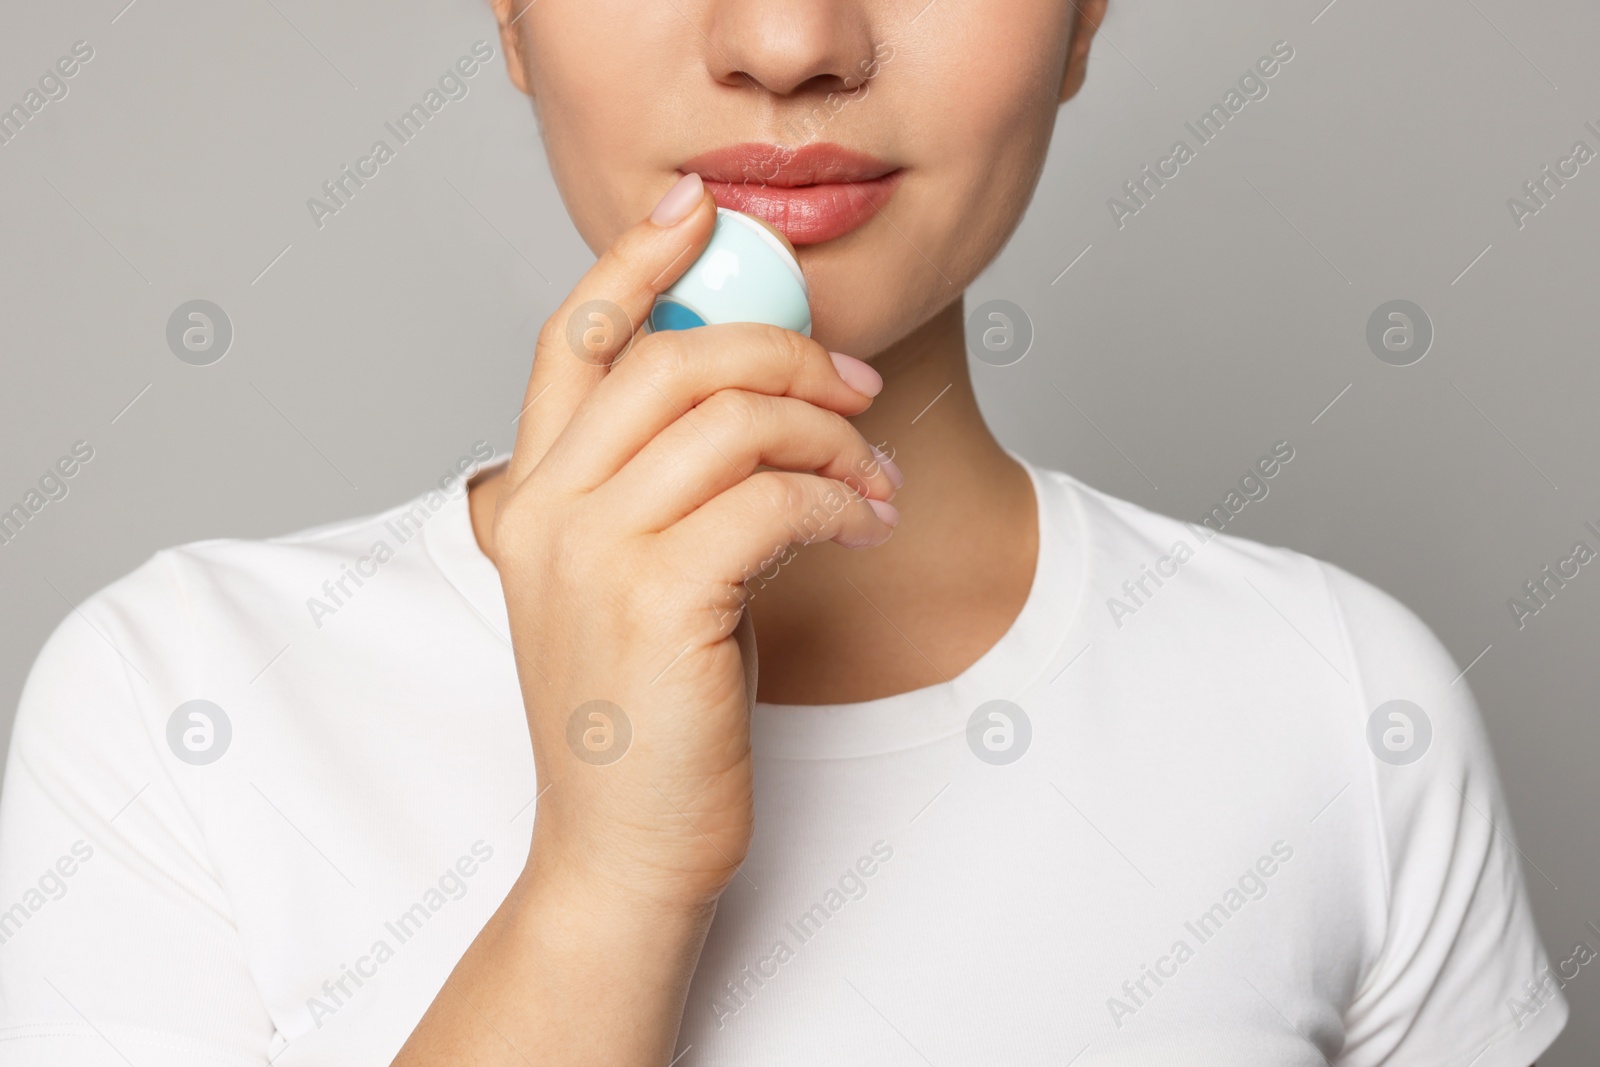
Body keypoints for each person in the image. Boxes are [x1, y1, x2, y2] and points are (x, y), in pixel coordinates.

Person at [0, 2, 1566, 1064]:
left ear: (1088, 14)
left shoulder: (1339, 705)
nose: (788, 43)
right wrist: (606, 883)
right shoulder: (170, 707)